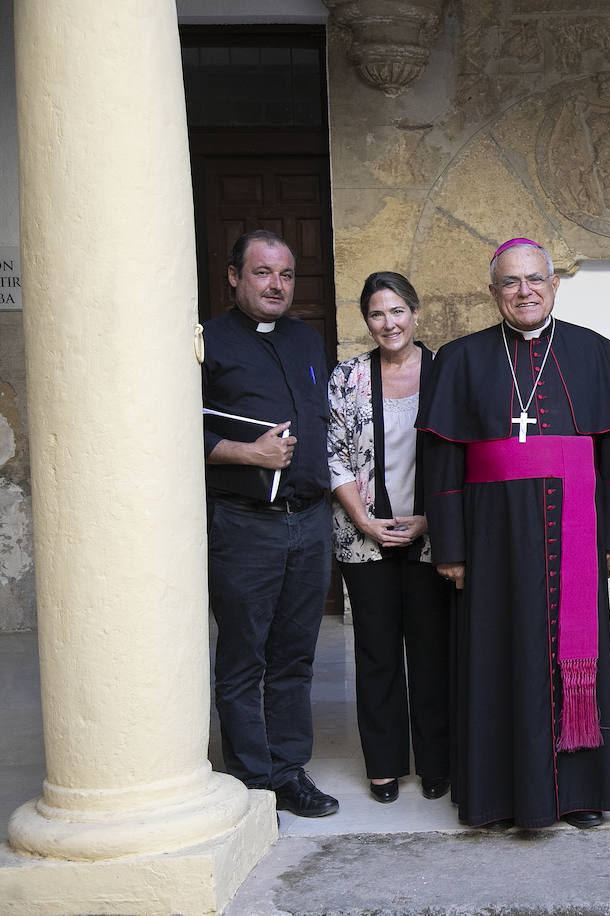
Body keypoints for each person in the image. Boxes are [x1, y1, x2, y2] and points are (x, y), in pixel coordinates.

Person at [416, 238, 610, 829]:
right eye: (510, 283)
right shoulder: (460, 360)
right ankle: (498, 796)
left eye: (534, 279)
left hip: (576, 534)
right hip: (493, 542)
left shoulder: (595, 353)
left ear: (555, 284)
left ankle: (580, 793)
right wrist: (451, 549)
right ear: (493, 293)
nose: (525, 291)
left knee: (575, 657)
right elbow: (440, 467)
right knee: (497, 657)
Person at [201, 229, 338, 817]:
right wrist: (245, 454)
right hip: (244, 523)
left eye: (285, 275)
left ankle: (289, 770)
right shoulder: (208, 342)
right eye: (262, 273)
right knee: (243, 656)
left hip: (309, 522)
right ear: (234, 277)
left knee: (295, 654)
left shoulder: (307, 339)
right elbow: (171, 426)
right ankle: (252, 782)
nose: (276, 285)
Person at [327, 271, 450, 804]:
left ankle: (437, 761)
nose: (388, 323)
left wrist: (432, 518)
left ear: (415, 313)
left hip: (430, 537)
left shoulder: (446, 372)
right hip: (364, 539)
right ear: (367, 321)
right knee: (376, 652)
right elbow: (332, 454)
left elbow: (464, 453)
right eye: (377, 314)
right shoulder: (346, 377)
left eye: (397, 311)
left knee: (431, 652)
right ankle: (383, 764)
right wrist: (362, 519)